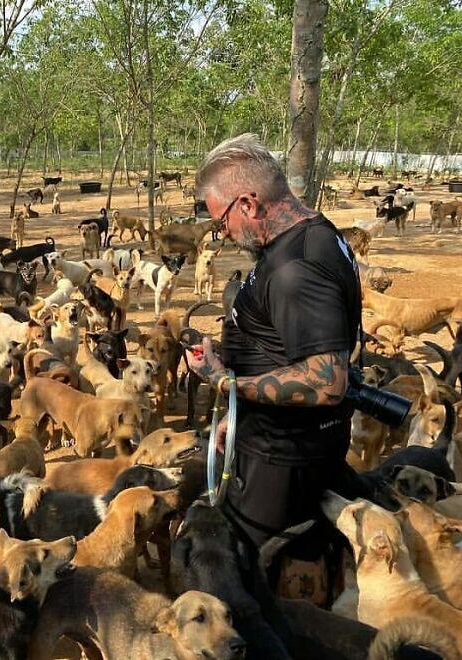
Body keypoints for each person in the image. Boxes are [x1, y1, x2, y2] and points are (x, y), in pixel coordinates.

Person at [186, 134, 361, 556]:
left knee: (257, 572)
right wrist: (241, 416)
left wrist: (226, 383)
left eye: (221, 222)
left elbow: (325, 381)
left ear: (247, 204)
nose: (224, 234)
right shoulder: (313, 234)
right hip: (277, 441)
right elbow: (282, 346)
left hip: (283, 460)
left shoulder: (295, 269)